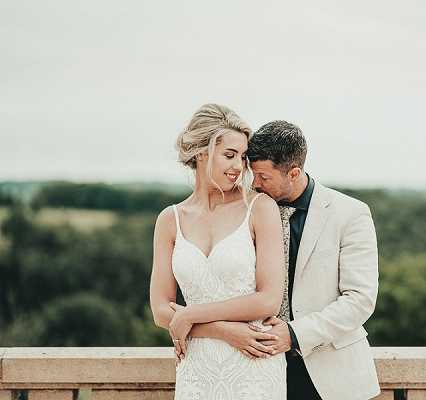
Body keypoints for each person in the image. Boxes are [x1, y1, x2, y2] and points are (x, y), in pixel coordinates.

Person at [177, 120, 381, 400]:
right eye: (253, 174)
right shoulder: (248, 211)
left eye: (263, 177)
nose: (255, 184)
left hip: (328, 372)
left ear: (294, 173)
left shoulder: (350, 214)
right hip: (255, 369)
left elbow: (360, 299)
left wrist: (294, 334)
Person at [149, 104, 287, 399]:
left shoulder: (260, 208)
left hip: (254, 365)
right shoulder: (169, 220)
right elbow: (161, 311)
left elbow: (268, 299)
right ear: (201, 153)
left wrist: (191, 315)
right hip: (196, 371)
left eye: (243, 157)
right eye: (229, 155)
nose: (239, 166)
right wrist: (222, 330)